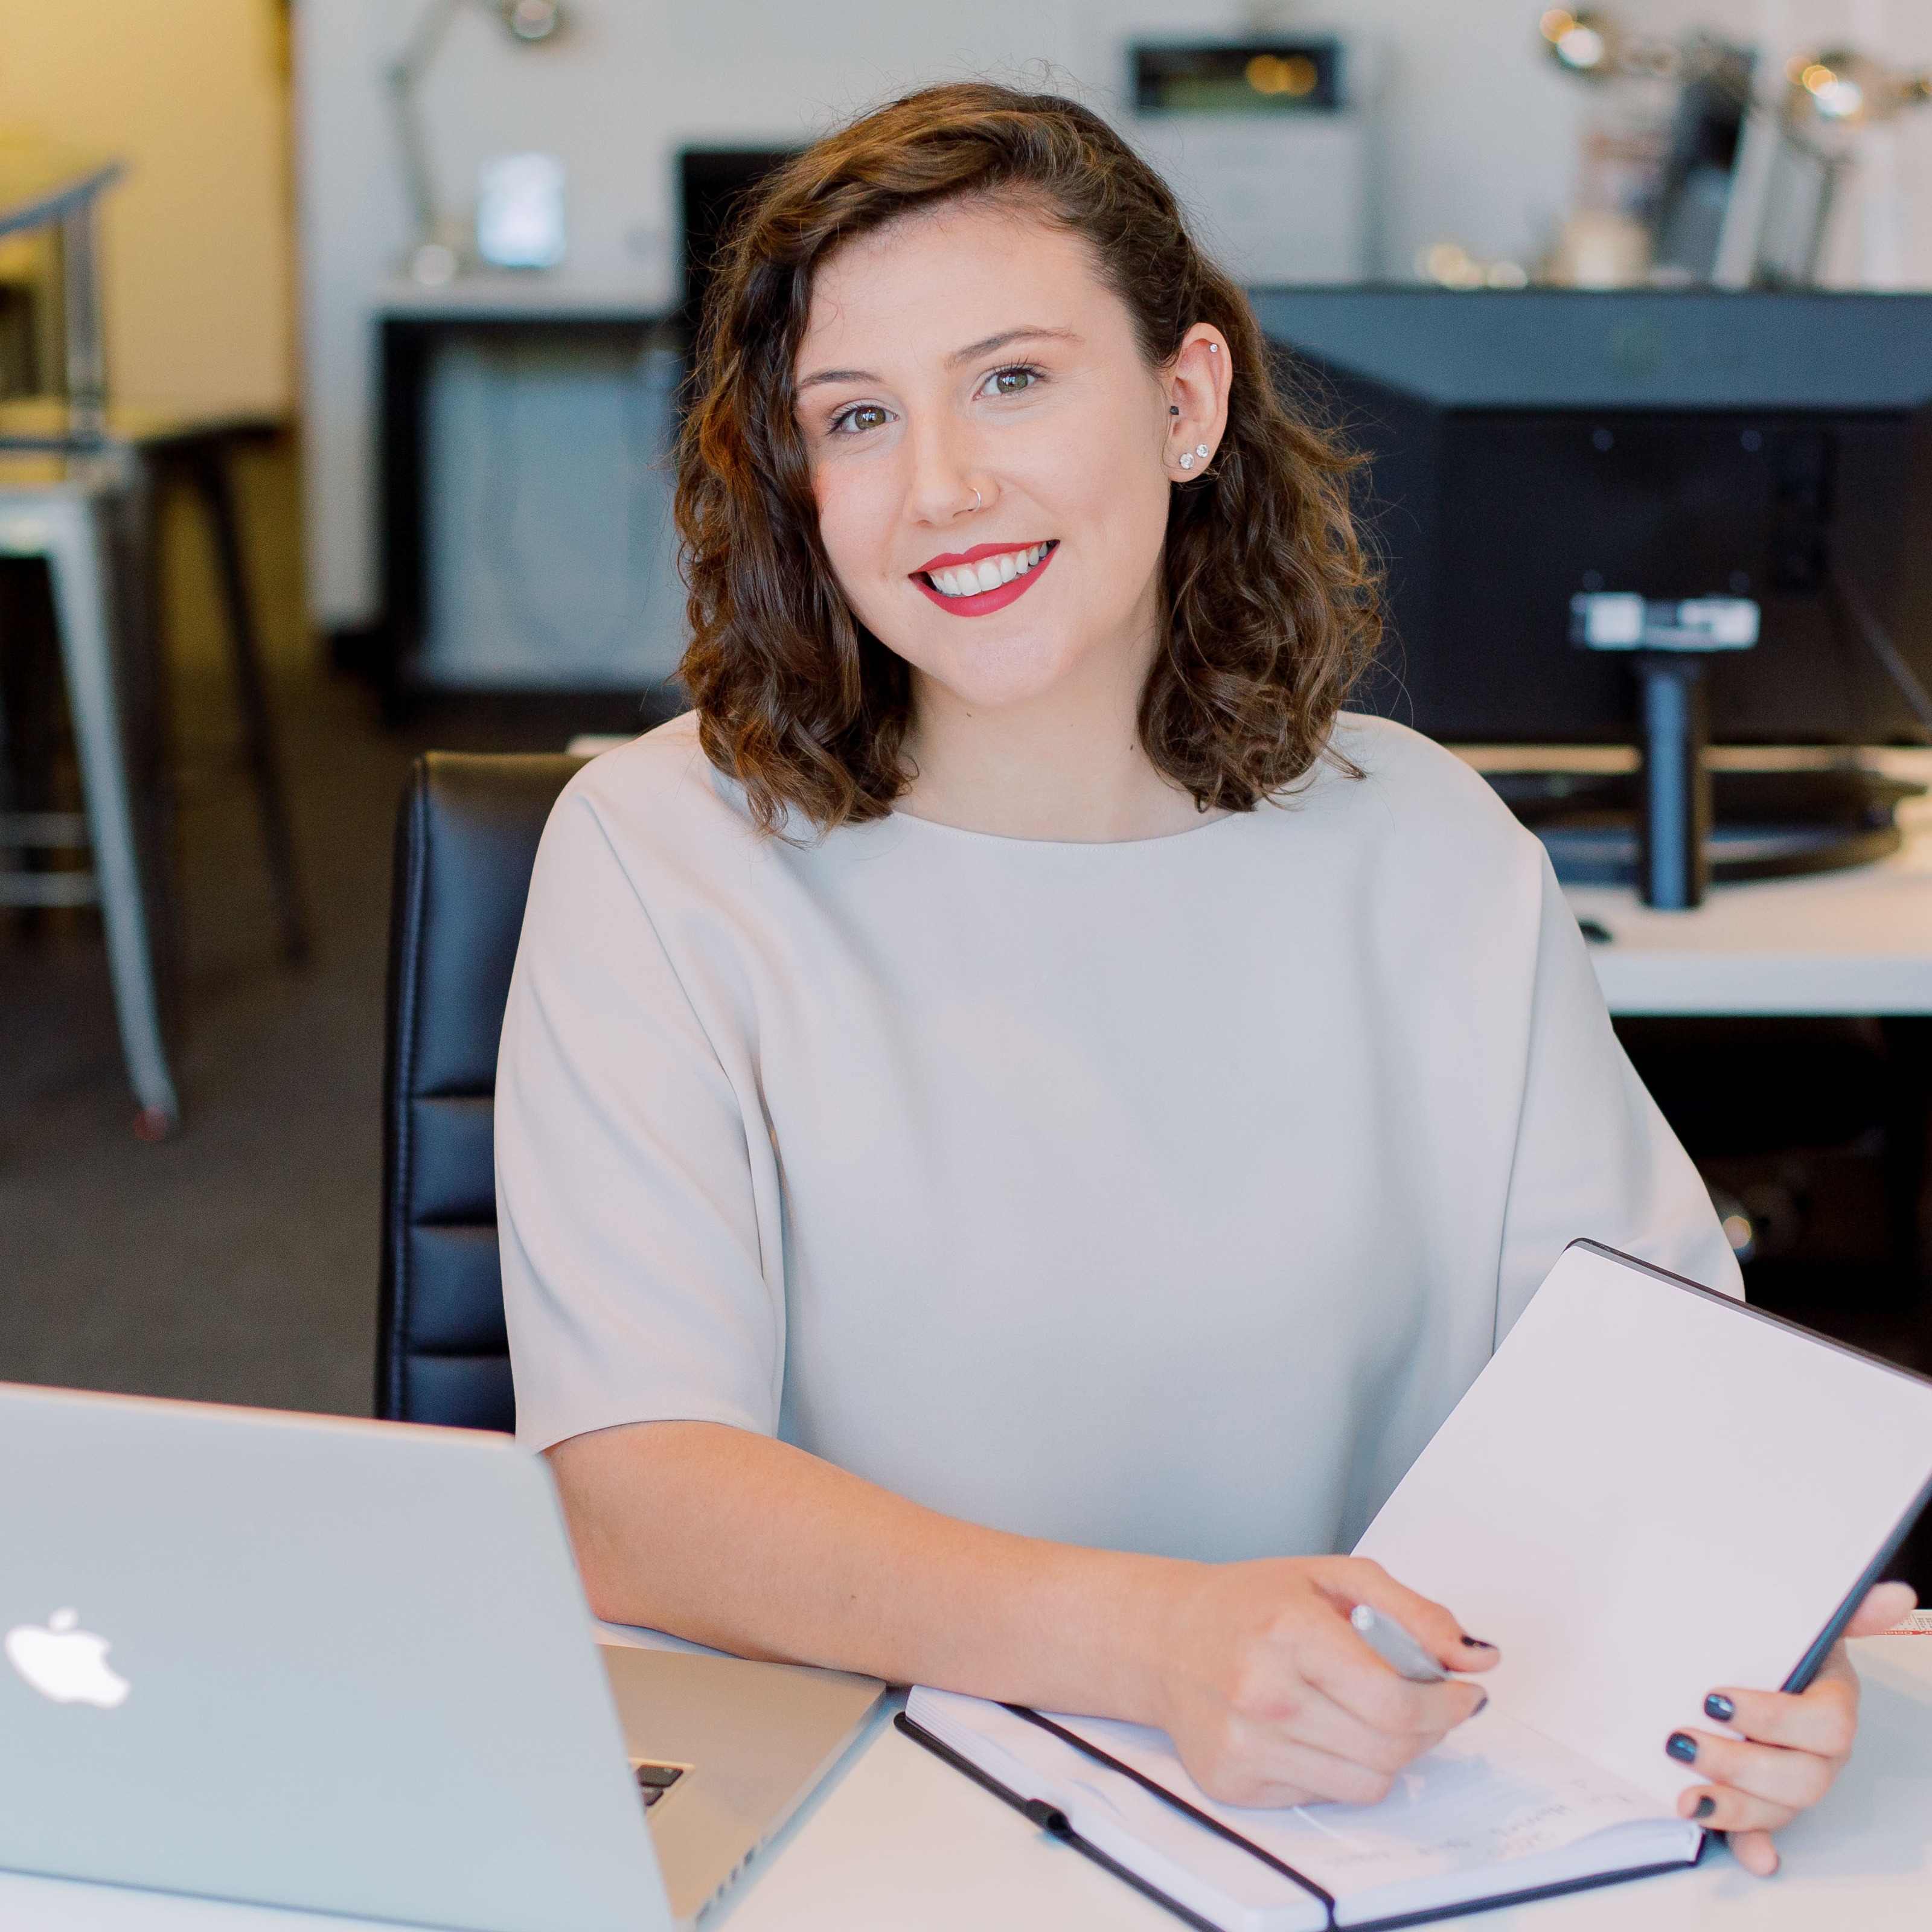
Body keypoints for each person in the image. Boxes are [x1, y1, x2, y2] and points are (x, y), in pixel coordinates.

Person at [495, 83, 1908, 1876]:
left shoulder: (1430, 852)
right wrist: (1157, 1643)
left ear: (1186, 401)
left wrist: (1753, 1663)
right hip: (860, 1808)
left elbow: (1661, 1399)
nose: (941, 486)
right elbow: (637, 1498)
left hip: (1367, 1810)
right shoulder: (662, 854)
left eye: (1012, 378)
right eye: (857, 418)